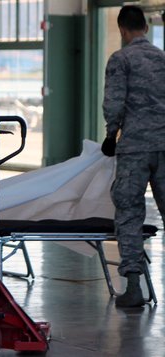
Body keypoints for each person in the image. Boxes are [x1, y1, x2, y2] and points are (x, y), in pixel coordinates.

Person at [101, 5, 165, 307]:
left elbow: (114, 101)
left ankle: (134, 287)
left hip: (135, 149)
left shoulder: (121, 59)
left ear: (123, 30)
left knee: (129, 213)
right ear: (146, 28)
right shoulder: (162, 58)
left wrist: (110, 135)